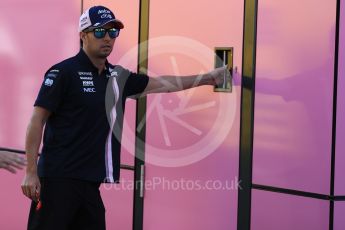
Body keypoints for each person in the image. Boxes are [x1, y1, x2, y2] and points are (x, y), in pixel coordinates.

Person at [21, 5, 230, 230]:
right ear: (83, 36)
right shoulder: (63, 72)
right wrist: (31, 173)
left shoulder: (117, 77)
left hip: (90, 183)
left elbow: (161, 84)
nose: (108, 38)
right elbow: (36, 121)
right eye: (100, 32)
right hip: (57, 181)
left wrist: (208, 78)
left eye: (113, 32)